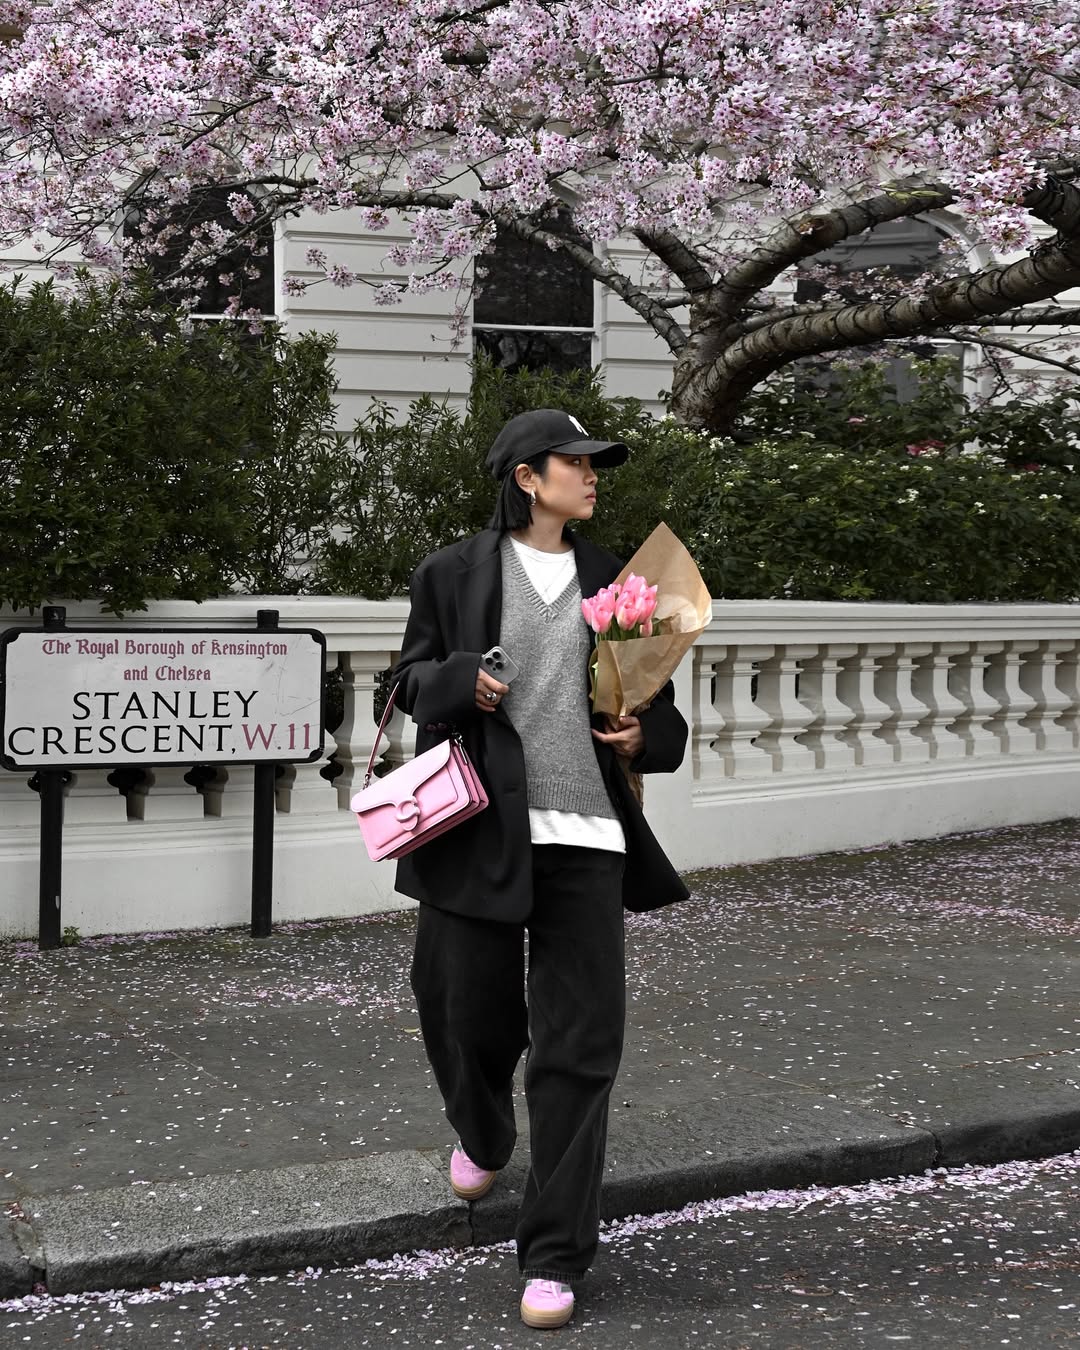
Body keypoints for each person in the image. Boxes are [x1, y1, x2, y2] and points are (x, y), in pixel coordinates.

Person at [391, 408, 689, 1329]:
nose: (593, 477)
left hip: (590, 841)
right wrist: (457, 683)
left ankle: (556, 1253)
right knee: (465, 1012)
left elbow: (661, 711)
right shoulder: (454, 571)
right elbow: (404, 680)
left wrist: (650, 734)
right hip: (478, 832)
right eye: (577, 463)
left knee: (579, 1052)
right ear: (528, 476)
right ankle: (482, 1129)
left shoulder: (622, 583)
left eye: (597, 465)